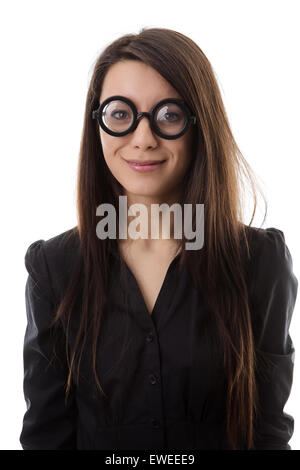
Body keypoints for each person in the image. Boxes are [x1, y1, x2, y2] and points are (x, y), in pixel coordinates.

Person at [20, 27, 298, 450]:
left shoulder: (258, 262)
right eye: (119, 113)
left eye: (169, 115)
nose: (143, 138)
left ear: (199, 125)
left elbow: (267, 434)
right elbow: (46, 435)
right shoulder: (55, 268)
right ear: (97, 124)